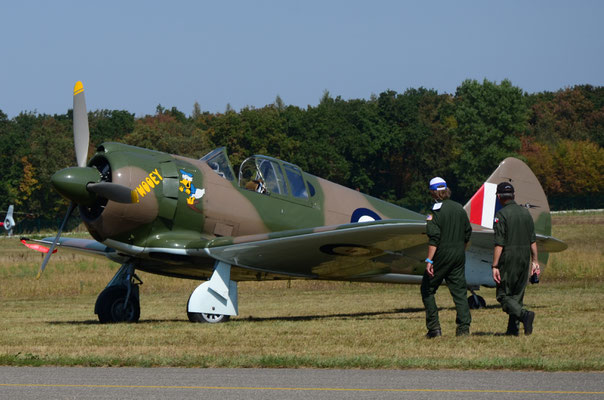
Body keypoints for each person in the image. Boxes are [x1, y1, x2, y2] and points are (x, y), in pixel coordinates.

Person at [421, 177, 472, 338]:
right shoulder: (459, 208)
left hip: (442, 254)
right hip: (459, 254)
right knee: (460, 292)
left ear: (433, 192)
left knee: (427, 289)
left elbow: (434, 238)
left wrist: (429, 260)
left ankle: (434, 328)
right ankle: (463, 329)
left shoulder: (435, 211)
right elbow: (468, 233)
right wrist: (460, 251)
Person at [491, 182, 540, 336]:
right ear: (513, 196)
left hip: (509, 257)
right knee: (517, 295)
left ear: (499, 197)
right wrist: (535, 261)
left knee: (503, 295)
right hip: (525, 257)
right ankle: (513, 330)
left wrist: (495, 265)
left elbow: (499, 243)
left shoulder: (501, 215)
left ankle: (525, 315)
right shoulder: (526, 213)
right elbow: (533, 240)